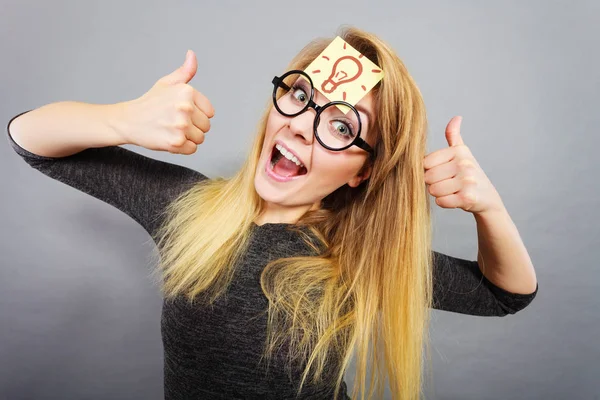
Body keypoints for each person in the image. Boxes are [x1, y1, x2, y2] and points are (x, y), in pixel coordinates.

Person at [6, 26, 538, 400]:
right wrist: (123, 119)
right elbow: (28, 139)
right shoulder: (189, 209)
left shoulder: (361, 258)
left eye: (340, 127)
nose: (302, 125)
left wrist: (487, 207)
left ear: (362, 172)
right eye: (301, 95)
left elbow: (506, 294)